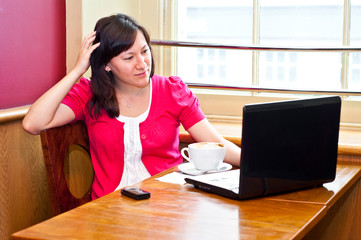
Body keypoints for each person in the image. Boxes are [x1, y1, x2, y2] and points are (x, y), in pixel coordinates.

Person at [23, 13, 241, 200]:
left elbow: (216, 144)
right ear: (106, 64)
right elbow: (33, 123)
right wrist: (77, 71)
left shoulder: (171, 90)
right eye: (129, 57)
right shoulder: (89, 94)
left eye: (144, 51)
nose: (142, 64)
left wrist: (263, 163)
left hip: (168, 208)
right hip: (107, 212)